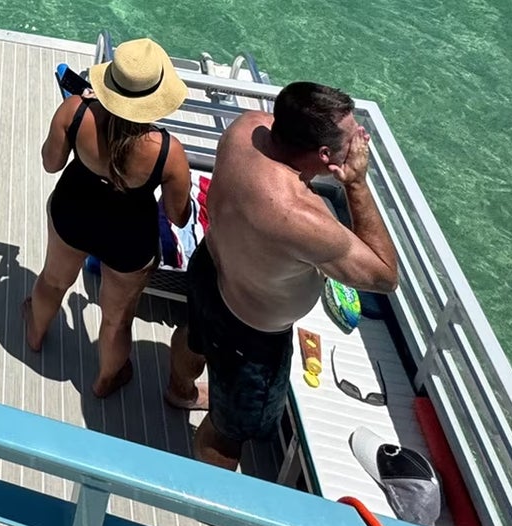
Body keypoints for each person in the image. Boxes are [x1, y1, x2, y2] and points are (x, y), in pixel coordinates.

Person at [166, 82, 399, 498]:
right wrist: (357, 184)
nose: (359, 144)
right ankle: (216, 500)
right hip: (250, 333)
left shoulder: (246, 128)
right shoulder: (303, 217)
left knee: (194, 336)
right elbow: (385, 276)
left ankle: (179, 390)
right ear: (325, 156)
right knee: (230, 429)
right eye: (352, 140)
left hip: (210, 269)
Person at [23, 40, 192, 397]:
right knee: (116, 319)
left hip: (73, 212)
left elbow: (51, 163)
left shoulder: (75, 111)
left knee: (52, 281)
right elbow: (179, 217)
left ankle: (35, 336)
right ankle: (105, 381)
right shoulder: (168, 151)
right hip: (128, 237)